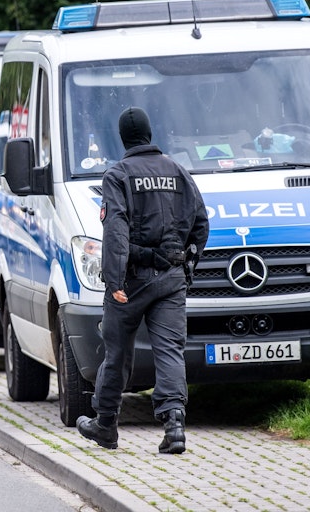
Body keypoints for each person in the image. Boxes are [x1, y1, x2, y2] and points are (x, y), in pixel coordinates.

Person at [76, 106, 209, 455]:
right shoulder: (178, 171)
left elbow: (116, 229)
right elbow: (201, 224)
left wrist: (115, 279)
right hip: (171, 280)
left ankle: (105, 426)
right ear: (150, 134)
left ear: (123, 138)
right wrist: (187, 268)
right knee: (169, 351)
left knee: (117, 352)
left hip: (131, 280)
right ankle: (175, 426)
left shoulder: (117, 175)